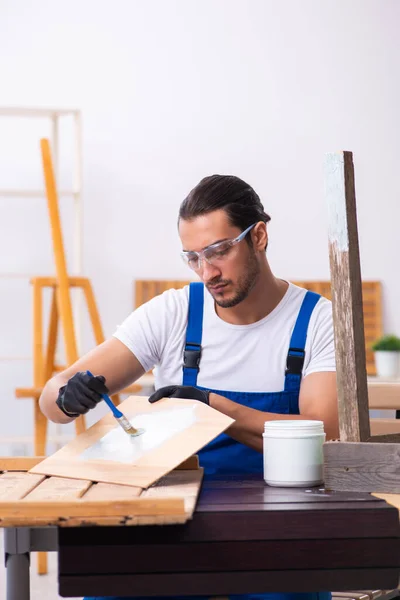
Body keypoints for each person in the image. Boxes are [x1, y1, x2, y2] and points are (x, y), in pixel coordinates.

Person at [40, 174, 338, 600]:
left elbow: (324, 438)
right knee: (108, 581)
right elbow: (51, 397)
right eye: (193, 258)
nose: (208, 272)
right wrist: (67, 399)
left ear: (259, 237)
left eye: (219, 251)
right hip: (171, 512)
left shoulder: (316, 321)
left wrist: (211, 407)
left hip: (277, 520)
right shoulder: (174, 312)